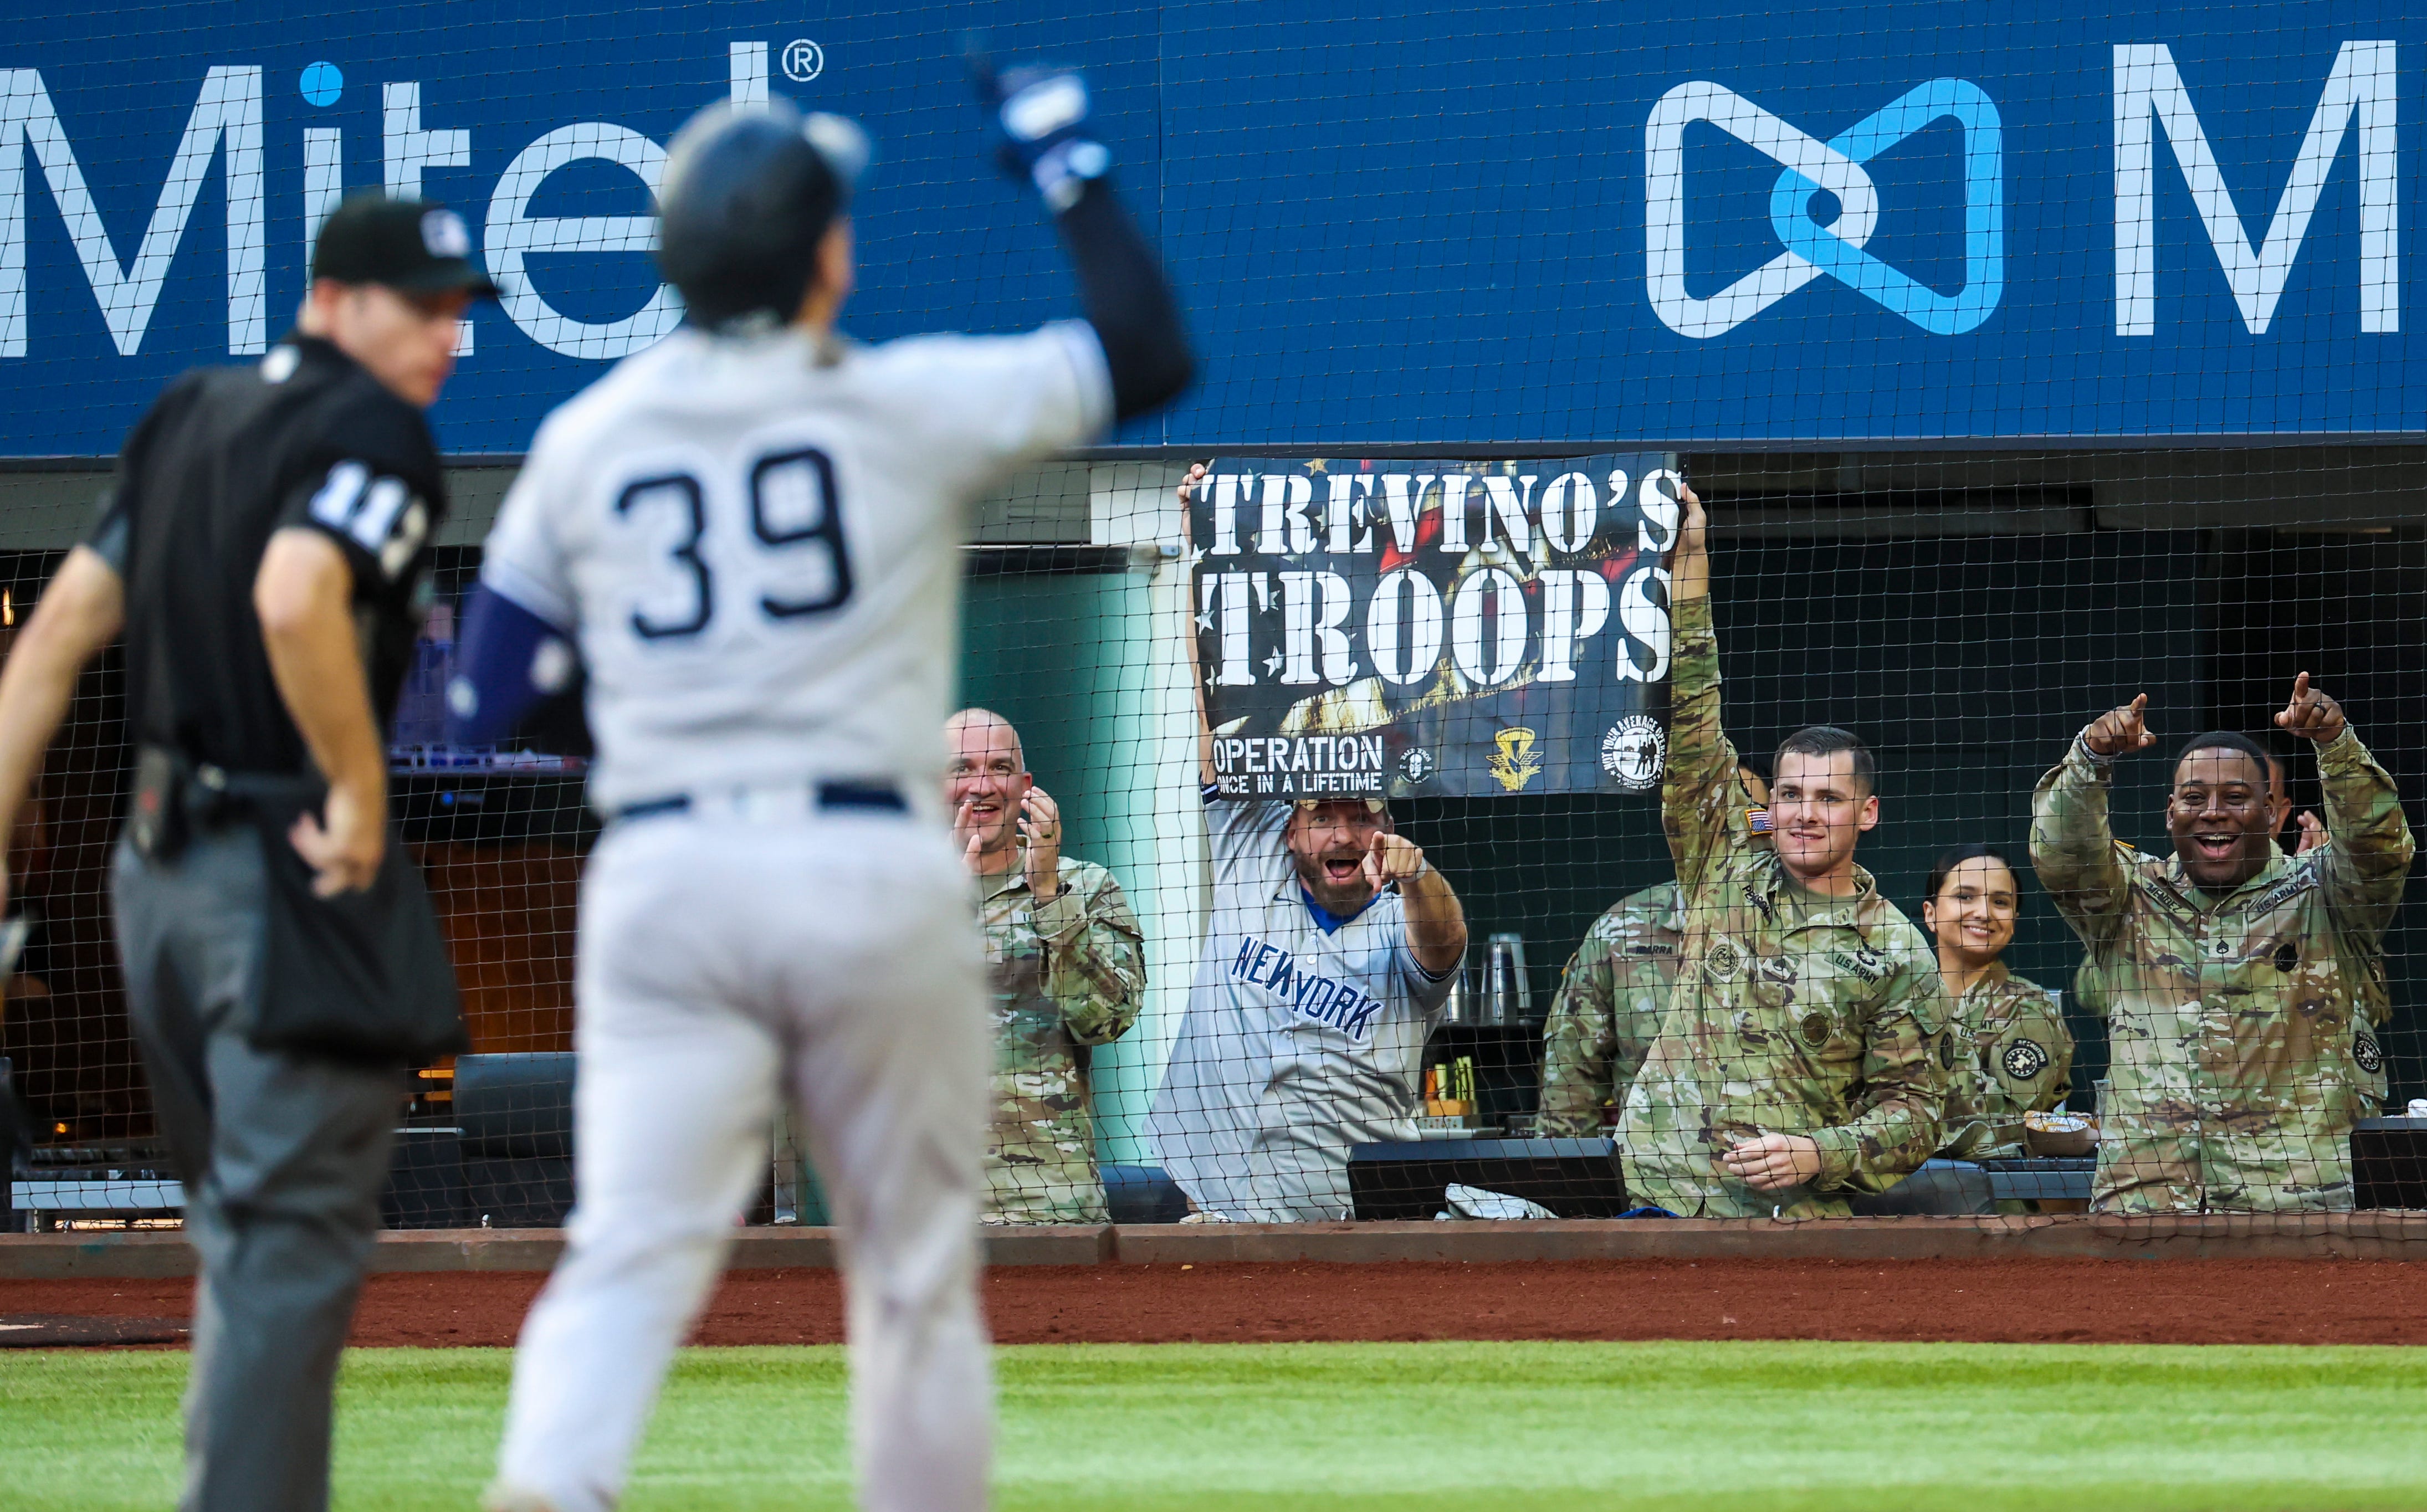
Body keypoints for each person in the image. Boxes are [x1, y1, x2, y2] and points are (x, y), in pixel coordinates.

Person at [450, 70, 1191, 1512]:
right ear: (824, 258)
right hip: (860, 865)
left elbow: (488, 693)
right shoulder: (896, 402)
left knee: (631, 1247)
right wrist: (1063, 156)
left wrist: (653, 743)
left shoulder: (589, 434)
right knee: (910, 1270)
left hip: (665, 871)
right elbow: (1148, 352)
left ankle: (549, 1487)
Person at [0, 193, 489, 1511]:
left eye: (461, 308)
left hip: (152, 880)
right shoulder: (377, 429)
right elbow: (293, 592)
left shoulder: (186, 414)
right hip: (285, 879)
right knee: (288, 1245)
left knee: (239, 1238)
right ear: (332, 298)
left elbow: (47, 644)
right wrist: (359, 785)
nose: (449, 334)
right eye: (424, 304)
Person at [1616, 486, 1954, 1218]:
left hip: (1792, 1223)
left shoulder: (1897, 950)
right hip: (1664, 1202)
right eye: (1793, 794)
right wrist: (1693, 561)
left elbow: (1919, 1112)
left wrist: (1819, 1151)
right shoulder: (1725, 863)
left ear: (1867, 813)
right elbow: (1694, 713)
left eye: (1829, 800)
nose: (1804, 813)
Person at [1149, 463, 1469, 1219]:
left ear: (1385, 827)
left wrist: (1418, 875)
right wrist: (1205, 542)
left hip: (1338, 1213)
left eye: (1362, 816)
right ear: (1291, 826)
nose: (1345, 831)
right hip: (1202, 1192)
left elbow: (1446, 947)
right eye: (1324, 815)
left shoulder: (1406, 909)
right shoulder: (1250, 841)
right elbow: (1214, 705)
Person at [2032, 681, 2411, 1212]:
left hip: (2296, 1205)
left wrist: (2335, 743)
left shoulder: (2325, 894)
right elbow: (2062, 856)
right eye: (2194, 798)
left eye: (2236, 798)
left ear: (2271, 812)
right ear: (2170, 814)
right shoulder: (2128, 898)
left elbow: (2379, 848)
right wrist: (2090, 757)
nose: (2213, 811)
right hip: (2146, 1205)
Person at [945, 707, 1146, 1223]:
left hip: (1052, 1206)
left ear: (1026, 786)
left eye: (999, 768)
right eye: (961, 768)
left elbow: (1108, 1019)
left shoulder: (1088, 886)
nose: (981, 786)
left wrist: (1050, 895)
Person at [1535, 762, 1769, 1139]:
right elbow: (1570, 1080)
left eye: (1745, 814)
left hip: (1782, 1184)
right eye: (1707, 814)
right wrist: (1574, 1189)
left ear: (1769, 825)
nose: (1726, 831)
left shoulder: (1808, 928)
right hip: (1654, 1181)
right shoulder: (1622, 931)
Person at [1921, 843, 2072, 1164]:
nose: (1985, 913)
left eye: (2000, 902)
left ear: (2013, 921)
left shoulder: (2028, 1009)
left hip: (1993, 1196)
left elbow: (2007, 1125)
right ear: (1930, 914)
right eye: (1965, 897)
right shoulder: (1896, 999)